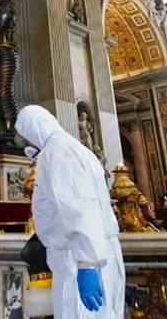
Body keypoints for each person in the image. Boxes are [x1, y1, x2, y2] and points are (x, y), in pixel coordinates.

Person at [15, 105, 125, 318]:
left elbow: (80, 209)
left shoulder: (57, 153)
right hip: (88, 254)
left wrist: (87, 265)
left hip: (79, 259)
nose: (27, 143)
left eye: (26, 136)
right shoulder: (69, 147)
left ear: (34, 130)